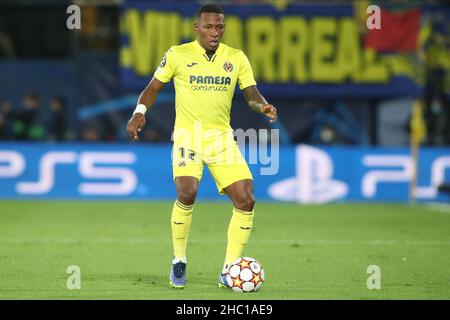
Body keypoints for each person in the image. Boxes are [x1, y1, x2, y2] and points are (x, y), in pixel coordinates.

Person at [126, 4, 277, 289]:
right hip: (188, 138)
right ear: (197, 28)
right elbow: (153, 87)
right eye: (208, 26)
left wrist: (263, 106)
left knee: (246, 199)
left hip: (221, 140)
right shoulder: (177, 54)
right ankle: (179, 260)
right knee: (187, 193)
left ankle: (229, 269)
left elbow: (251, 93)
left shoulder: (236, 58)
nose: (215, 32)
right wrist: (139, 112)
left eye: (220, 27)